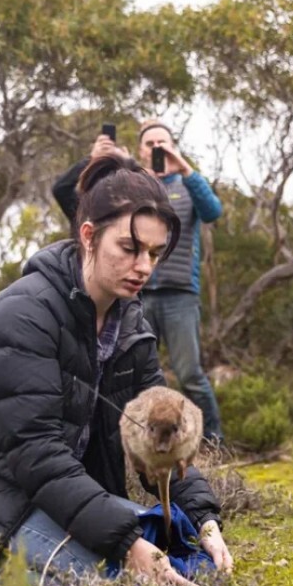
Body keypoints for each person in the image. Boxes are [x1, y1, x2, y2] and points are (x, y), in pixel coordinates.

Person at [0, 154, 233, 586]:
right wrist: (127, 542)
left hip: (56, 499)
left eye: (154, 253)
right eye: (129, 248)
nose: (144, 267)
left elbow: (161, 437)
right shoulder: (23, 314)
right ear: (89, 235)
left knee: (192, 565)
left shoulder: (129, 323)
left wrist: (204, 519)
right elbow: (37, 456)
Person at [52, 121, 226, 444]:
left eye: (164, 142)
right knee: (132, 374)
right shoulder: (129, 188)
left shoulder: (188, 185)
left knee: (189, 373)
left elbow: (213, 211)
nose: (157, 147)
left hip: (180, 294)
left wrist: (185, 168)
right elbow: (69, 195)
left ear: (174, 146)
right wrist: (96, 160)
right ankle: (138, 441)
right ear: (141, 149)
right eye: (150, 143)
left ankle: (213, 442)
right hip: (136, 296)